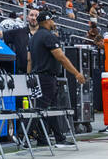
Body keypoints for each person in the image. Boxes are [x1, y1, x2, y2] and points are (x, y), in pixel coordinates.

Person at [28, 14, 86, 146]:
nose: (54, 22)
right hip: (46, 78)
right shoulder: (48, 36)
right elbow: (61, 57)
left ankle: (53, 138)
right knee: (41, 110)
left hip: (37, 77)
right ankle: (23, 135)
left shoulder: (34, 37)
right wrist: (76, 73)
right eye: (52, 20)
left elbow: (29, 60)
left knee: (51, 109)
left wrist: (29, 76)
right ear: (47, 21)